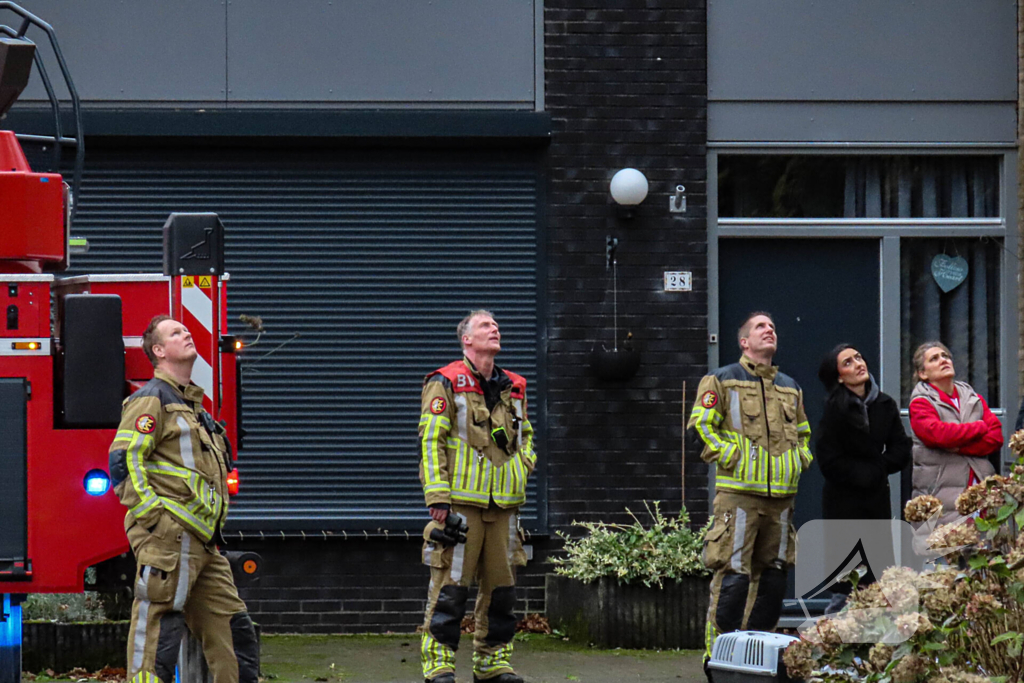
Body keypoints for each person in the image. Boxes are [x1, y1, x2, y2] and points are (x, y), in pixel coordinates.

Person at [108, 315, 258, 683]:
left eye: (186, 330)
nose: (186, 333)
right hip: (171, 541)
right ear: (158, 352)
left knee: (234, 629)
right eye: (176, 332)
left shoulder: (194, 407)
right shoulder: (150, 400)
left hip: (204, 544)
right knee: (158, 632)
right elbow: (124, 462)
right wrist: (158, 521)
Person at [687, 312, 813, 673]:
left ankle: (758, 661)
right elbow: (702, 427)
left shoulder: (790, 386)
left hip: (782, 501)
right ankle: (719, 658)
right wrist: (732, 456)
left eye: (772, 326)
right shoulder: (721, 380)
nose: (769, 330)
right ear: (744, 342)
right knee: (734, 576)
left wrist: (798, 460)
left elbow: (804, 434)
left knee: (774, 578)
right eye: (760, 327)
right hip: (738, 496)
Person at [418, 310, 536, 683]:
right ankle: (438, 665)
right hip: (460, 508)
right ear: (466, 339)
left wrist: (522, 468)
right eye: (485, 325)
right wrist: (437, 498)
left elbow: (527, 439)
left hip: (504, 508)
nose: (495, 329)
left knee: (502, 593)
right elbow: (430, 441)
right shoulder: (446, 381)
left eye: (496, 324)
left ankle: (492, 663)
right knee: (451, 591)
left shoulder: (513, 386)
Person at [815, 344, 912, 612]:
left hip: (876, 500)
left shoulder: (885, 404)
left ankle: (874, 647)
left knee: (878, 579)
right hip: (843, 504)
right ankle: (836, 642)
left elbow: (901, 448)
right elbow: (828, 460)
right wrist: (863, 473)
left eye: (859, 357)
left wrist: (879, 468)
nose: (858, 364)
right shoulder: (834, 410)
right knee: (846, 584)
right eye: (848, 362)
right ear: (838, 377)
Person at [909, 341, 1001, 525]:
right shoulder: (920, 403)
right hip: (941, 497)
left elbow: (996, 437)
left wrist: (958, 447)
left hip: (982, 492)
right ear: (922, 373)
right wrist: (979, 427)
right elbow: (940, 434)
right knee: (947, 551)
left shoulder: (972, 397)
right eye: (934, 359)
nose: (943, 360)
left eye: (945, 356)